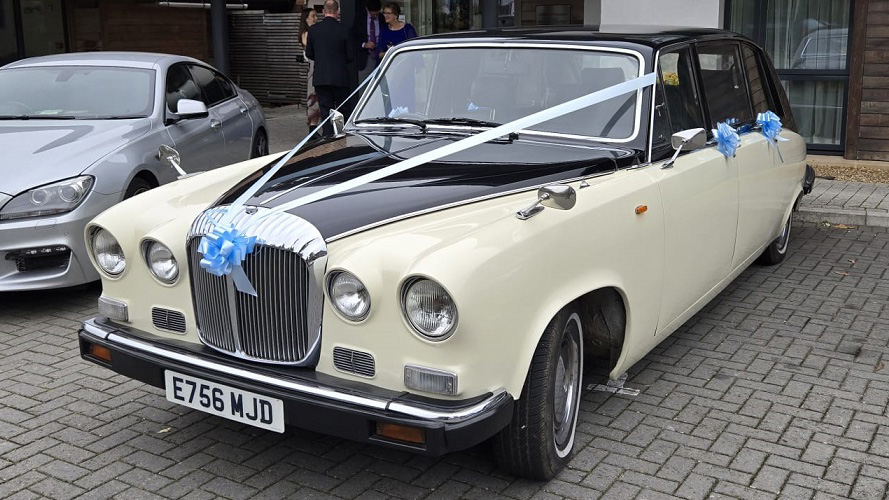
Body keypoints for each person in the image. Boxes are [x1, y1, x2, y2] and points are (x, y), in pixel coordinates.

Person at [306, 0, 354, 137]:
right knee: (341, 109)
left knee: (325, 109)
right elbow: (351, 56)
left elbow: (309, 54)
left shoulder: (314, 30)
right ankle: (340, 136)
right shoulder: (344, 30)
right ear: (337, 11)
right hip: (340, 77)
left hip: (321, 77)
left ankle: (327, 137)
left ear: (323, 11)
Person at [352, 0, 386, 83]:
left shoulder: (382, 18)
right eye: (372, 14)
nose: (374, 16)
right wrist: (364, 45)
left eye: (376, 14)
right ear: (367, 9)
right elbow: (352, 38)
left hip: (380, 56)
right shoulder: (359, 18)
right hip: (365, 58)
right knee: (364, 85)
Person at [299, 7, 321, 129]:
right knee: (313, 98)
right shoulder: (307, 34)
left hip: (314, 68)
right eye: (313, 16)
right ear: (306, 19)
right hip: (313, 69)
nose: (316, 19)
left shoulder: (313, 32)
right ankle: (313, 126)